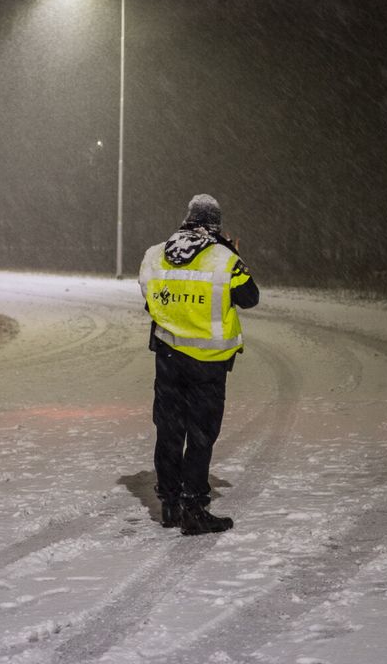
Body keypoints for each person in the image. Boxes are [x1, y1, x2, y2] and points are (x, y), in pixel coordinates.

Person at [139, 194, 259, 535]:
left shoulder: (153, 255)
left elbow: (150, 300)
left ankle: (170, 504)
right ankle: (194, 507)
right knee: (201, 435)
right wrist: (232, 254)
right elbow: (250, 298)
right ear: (216, 225)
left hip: (168, 358)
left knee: (169, 430)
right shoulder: (223, 259)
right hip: (208, 362)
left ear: (187, 219)